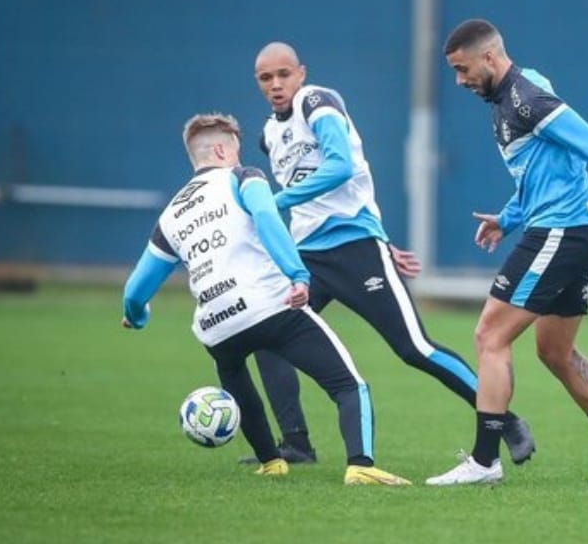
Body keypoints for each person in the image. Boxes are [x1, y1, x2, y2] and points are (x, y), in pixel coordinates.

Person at [244, 42, 535, 465]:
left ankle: (505, 421)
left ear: (301, 73)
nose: (275, 84)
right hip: (308, 257)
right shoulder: (269, 134)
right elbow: (320, 194)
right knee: (268, 337)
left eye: (283, 74)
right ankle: (296, 443)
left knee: (414, 348)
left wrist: (279, 203)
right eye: (265, 78)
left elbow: (342, 166)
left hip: (356, 249)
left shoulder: (317, 101)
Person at [424, 19, 588, 486]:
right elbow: (544, 173)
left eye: (463, 69)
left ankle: (483, 461)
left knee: (489, 335)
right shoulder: (509, 98)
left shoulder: (527, 99)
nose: (459, 81)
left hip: (562, 231)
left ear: (490, 58)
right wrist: (508, 218)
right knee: (555, 351)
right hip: (569, 229)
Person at [120, 113, 410, 486]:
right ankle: (361, 465)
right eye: (236, 150)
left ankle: (271, 462)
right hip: (269, 307)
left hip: (217, 327)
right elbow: (267, 216)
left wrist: (138, 315)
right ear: (223, 149)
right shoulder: (243, 177)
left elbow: (135, 289)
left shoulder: (171, 214)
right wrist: (298, 274)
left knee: (236, 375)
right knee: (348, 385)